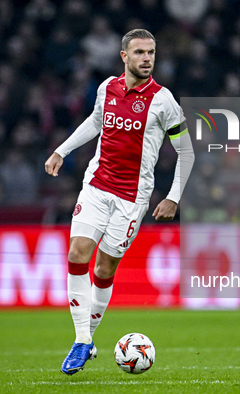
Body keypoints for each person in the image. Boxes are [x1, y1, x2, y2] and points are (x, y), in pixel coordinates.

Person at [44, 29, 194, 375]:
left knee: (103, 270)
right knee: (77, 253)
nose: (147, 58)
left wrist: (173, 197)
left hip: (132, 199)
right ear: (123, 56)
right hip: (96, 186)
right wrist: (61, 151)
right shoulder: (107, 88)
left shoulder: (163, 101)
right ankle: (82, 340)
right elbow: (96, 122)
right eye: (140, 52)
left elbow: (186, 152)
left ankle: (89, 337)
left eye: (152, 52)